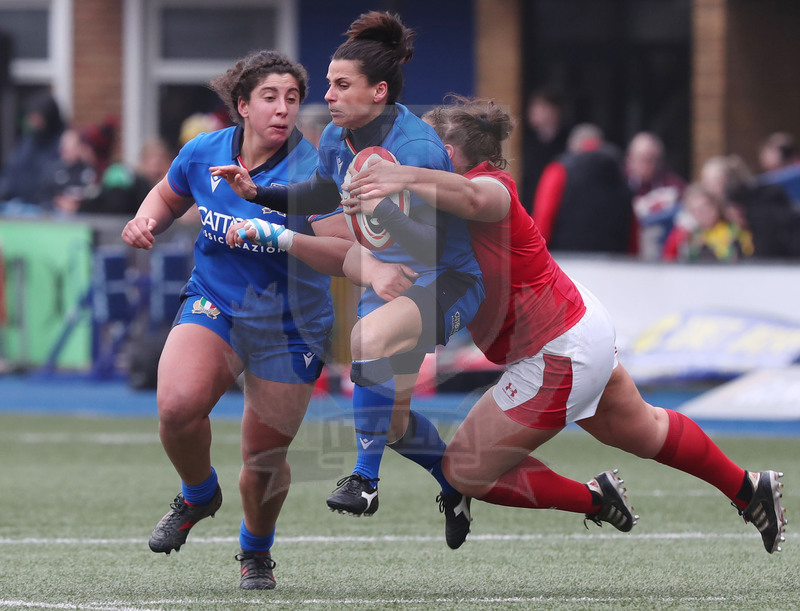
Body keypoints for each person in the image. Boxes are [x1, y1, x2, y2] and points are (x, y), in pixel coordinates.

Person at [344, 95, 787, 555]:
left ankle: (594, 500)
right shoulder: (440, 200)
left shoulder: (489, 186)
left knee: (466, 472)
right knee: (648, 431)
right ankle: (747, 487)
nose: (416, 154)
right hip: (577, 325)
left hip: (553, 350)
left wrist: (400, 177)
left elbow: (474, 198)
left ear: (450, 154)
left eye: (427, 147)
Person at [214, 12, 484, 540]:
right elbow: (320, 192)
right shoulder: (340, 137)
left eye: (342, 85)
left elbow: (425, 245)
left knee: (368, 338)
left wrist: (380, 210)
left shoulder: (417, 148)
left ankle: (364, 478)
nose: (329, 95)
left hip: (445, 279)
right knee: (397, 423)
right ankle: (455, 484)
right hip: (387, 276)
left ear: (378, 91)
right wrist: (258, 193)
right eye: (331, 83)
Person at [121, 49, 352, 590]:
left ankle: (255, 551)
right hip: (217, 301)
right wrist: (144, 221)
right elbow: (168, 194)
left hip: (290, 323)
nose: (283, 109)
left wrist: (278, 235)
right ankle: (199, 493)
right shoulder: (204, 151)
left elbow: (343, 253)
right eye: (270, 98)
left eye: (292, 99)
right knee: (176, 407)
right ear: (242, 106)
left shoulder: (312, 169)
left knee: (264, 456)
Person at [532, 123, 637, 255]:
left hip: (566, 263)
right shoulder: (620, 171)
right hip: (613, 265)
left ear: (571, 145)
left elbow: (543, 220)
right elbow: (632, 230)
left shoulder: (559, 170)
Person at [701, 155, 800, 259]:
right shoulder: (716, 214)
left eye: (714, 182)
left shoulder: (761, 205)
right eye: (706, 182)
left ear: (728, 181)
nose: (709, 188)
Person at [625, 132, 687, 260]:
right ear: (630, 160)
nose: (646, 164)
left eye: (651, 159)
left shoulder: (673, 185)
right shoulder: (621, 184)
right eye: (641, 159)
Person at [0, 91, 65, 208]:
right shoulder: (27, 142)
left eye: (37, 118)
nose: (33, 123)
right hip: (20, 210)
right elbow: (11, 173)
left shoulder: (64, 144)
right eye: (31, 118)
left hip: (48, 212)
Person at [662, 183, 753, 262]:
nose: (702, 213)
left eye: (705, 206)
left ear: (715, 205)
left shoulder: (735, 231)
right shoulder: (689, 238)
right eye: (695, 210)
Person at [520, 87, 570, 214]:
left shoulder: (568, 143)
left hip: (558, 207)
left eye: (540, 107)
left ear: (554, 111)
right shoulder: (526, 143)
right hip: (530, 208)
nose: (533, 112)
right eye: (532, 107)